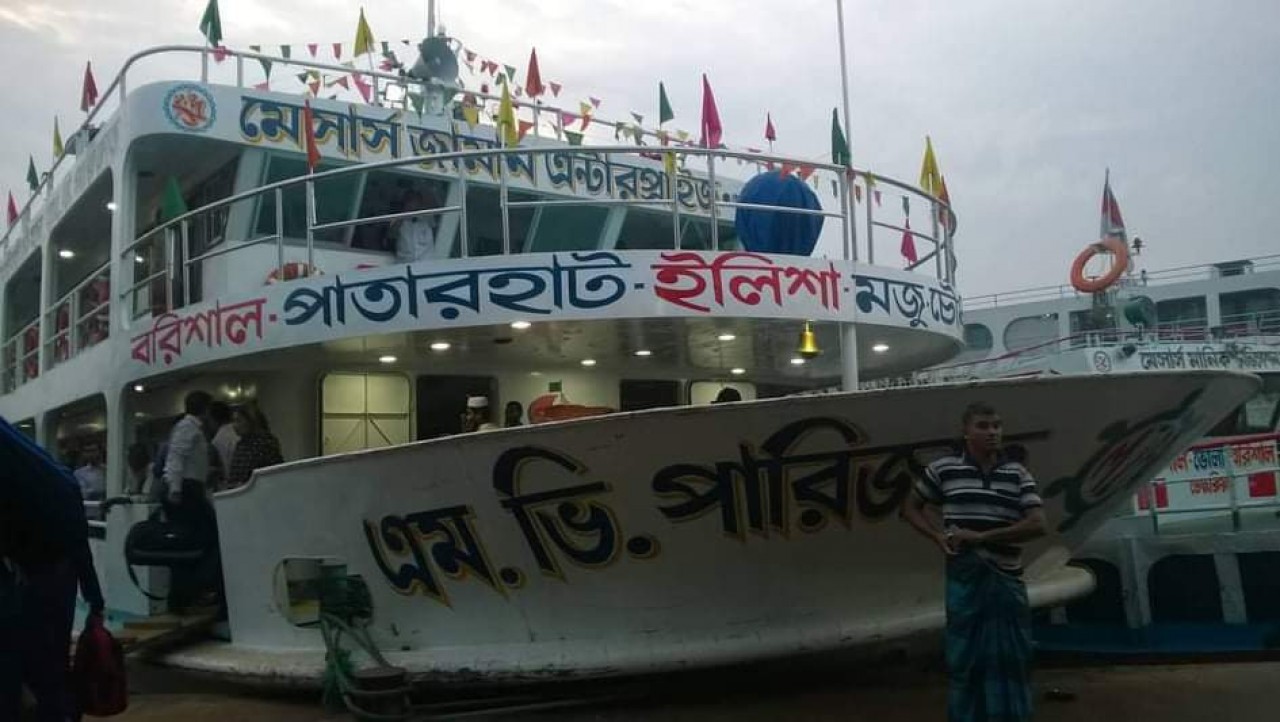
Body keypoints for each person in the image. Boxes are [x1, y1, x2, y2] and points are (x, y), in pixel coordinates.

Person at [901, 401, 1046, 722]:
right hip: (965, 579)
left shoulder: (1017, 474)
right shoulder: (943, 470)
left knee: (1011, 657)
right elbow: (910, 507)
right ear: (966, 432)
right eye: (983, 426)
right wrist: (936, 536)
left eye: (996, 425)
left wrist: (981, 537)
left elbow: (1038, 524)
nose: (992, 432)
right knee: (964, 657)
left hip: (1005, 579)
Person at [1, 418, 105, 722]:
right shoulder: (28, 460)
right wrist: (94, 596)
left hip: (45, 557)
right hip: (52, 549)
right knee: (44, 663)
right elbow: (67, 493)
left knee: (37, 666)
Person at [162, 390, 221, 612]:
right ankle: (193, 591)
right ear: (205, 409)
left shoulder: (191, 429)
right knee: (203, 539)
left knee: (192, 542)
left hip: (191, 488)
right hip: (187, 491)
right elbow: (176, 457)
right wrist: (175, 489)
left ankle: (188, 594)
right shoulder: (187, 428)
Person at [226, 401, 284, 490]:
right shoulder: (241, 444)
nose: (234, 426)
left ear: (251, 421)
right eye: (233, 421)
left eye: (238, 421)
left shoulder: (266, 442)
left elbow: (275, 471)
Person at [392, 189, 438, 264]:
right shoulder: (397, 219)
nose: (412, 204)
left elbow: (437, 233)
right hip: (404, 261)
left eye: (415, 201)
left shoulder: (428, 217)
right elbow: (391, 235)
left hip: (426, 261)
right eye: (409, 200)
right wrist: (404, 214)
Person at [208, 401, 239, 491]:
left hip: (231, 483)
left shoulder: (217, 441)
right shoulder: (238, 429)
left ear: (212, 419)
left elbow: (222, 468)